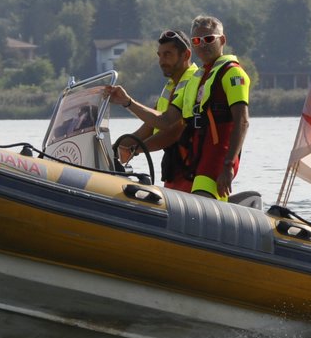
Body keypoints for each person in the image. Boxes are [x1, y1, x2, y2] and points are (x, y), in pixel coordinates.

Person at [160, 15, 251, 200]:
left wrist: (228, 165)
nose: (203, 44)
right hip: (198, 156)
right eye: (197, 40)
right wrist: (127, 101)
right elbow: (169, 120)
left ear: (222, 40)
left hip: (219, 156)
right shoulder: (200, 76)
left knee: (202, 206)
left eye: (209, 39)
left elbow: (242, 121)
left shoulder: (232, 73)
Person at [102, 29, 199, 191]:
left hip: (192, 171)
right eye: (159, 55)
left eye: (168, 54)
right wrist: (108, 150)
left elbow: (172, 130)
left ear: (186, 55)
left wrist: (133, 150)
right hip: (176, 170)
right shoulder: (170, 86)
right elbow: (145, 131)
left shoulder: (193, 82)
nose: (162, 61)